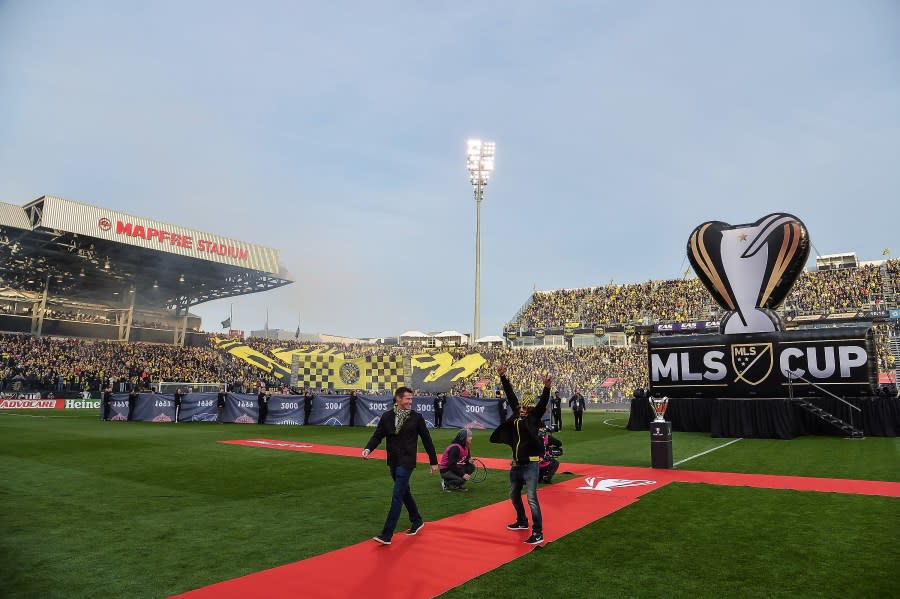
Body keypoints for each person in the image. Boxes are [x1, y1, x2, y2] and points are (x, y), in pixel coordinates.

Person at [362, 386, 438, 546]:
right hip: (393, 461)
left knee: (397, 495)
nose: (411, 401)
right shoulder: (387, 417)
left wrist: (433, 461)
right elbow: (378, 435)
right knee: (404, 492)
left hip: (407, 461)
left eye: (411, 399)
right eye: (407, 399)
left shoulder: (416, 417)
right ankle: (417, 520)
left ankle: (386, 534)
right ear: (398, 399)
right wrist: (368, 448)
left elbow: (427, 440)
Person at [490, 364, 551, 546]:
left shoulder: (534, 418)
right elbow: (510, 395)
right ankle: (522, 521)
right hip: (516, 465)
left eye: (526, 406)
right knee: (514, 495)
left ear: (530, 408)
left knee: (532, 498)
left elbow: (542, 404)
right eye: (521, 406)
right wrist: (503, 377)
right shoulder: (516, 417)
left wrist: (546, 388)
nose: (522, 409)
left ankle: (538, 533)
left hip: (531, 465)